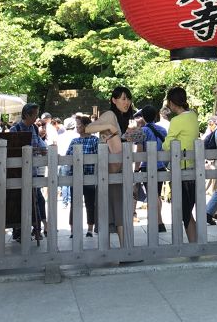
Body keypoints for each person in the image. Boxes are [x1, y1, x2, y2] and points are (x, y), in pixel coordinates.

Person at [85, 85, 135, 246]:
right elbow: (88, 128)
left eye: (128, 98)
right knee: (117, 208)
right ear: (114, 100)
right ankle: (124, 248)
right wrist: (109, 126)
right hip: (110, 169)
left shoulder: (121, 117)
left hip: (115, 168)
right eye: (123, 98)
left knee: (115, 209)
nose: (126, 102)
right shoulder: (110, 114)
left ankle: (120, 248)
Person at [163, 86, 199, 243]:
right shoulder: (193, 116)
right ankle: (195, 242)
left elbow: (166, 145)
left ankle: (194, 244)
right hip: (193, 167)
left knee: (184, 212)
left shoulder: (176, 121)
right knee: (188, 211)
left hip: (181, 168)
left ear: (171, 103)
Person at [10, 103, 47, 240]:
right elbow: (12, 151)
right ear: (26, 115)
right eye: (35, 115)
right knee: (19, 200)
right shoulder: (15, 129)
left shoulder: (35, 129)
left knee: (36, 199)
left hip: (33, 170)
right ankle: (19, 231)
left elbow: (40, 145)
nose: (36, 117)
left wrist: (44, 150)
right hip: (18, 172)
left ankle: (36, 228)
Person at [135, 105, 168, 233]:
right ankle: (159, 221)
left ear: (142, 116)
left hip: (147, 166)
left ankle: (158, 222)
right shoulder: (163, 130)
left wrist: (136, 169)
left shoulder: (141, 131)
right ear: (155, 116)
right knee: (157, 195)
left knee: (152, 195)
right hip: (160, 166)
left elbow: (139, 151)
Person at [65, 116, 98, 238]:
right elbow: (68, 156)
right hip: (76, 177)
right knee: (75, 204)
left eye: (79, 125)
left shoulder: (95, 140)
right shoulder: (74, 141)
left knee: (90, 203)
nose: (77, 127)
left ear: (86, 126)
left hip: (90, 176)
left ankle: (90, 229)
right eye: (77, 125)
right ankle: (73, 230)